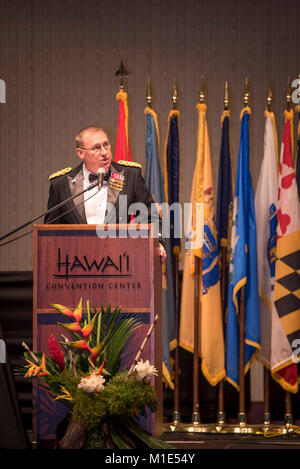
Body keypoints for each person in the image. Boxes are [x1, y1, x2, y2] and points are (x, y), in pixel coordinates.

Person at [45, 125, 166, 259]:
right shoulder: (61, 184)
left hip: (121, 261)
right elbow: (51, 231)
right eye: (96, 147)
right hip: (76, 264)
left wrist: (157, 244)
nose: (104, 152)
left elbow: (150, 218)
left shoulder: (130, 176)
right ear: (80, 153)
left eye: (106, 145)